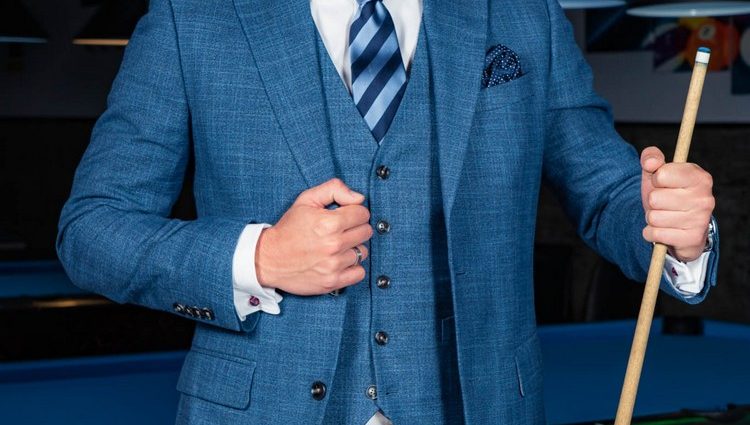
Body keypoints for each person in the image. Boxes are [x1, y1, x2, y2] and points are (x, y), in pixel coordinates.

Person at [56, 0, 719, 423]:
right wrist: (259, 257)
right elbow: (91, 228)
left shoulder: (525, 14)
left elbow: (608, 191)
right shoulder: (194, 16)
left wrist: (675, 228)